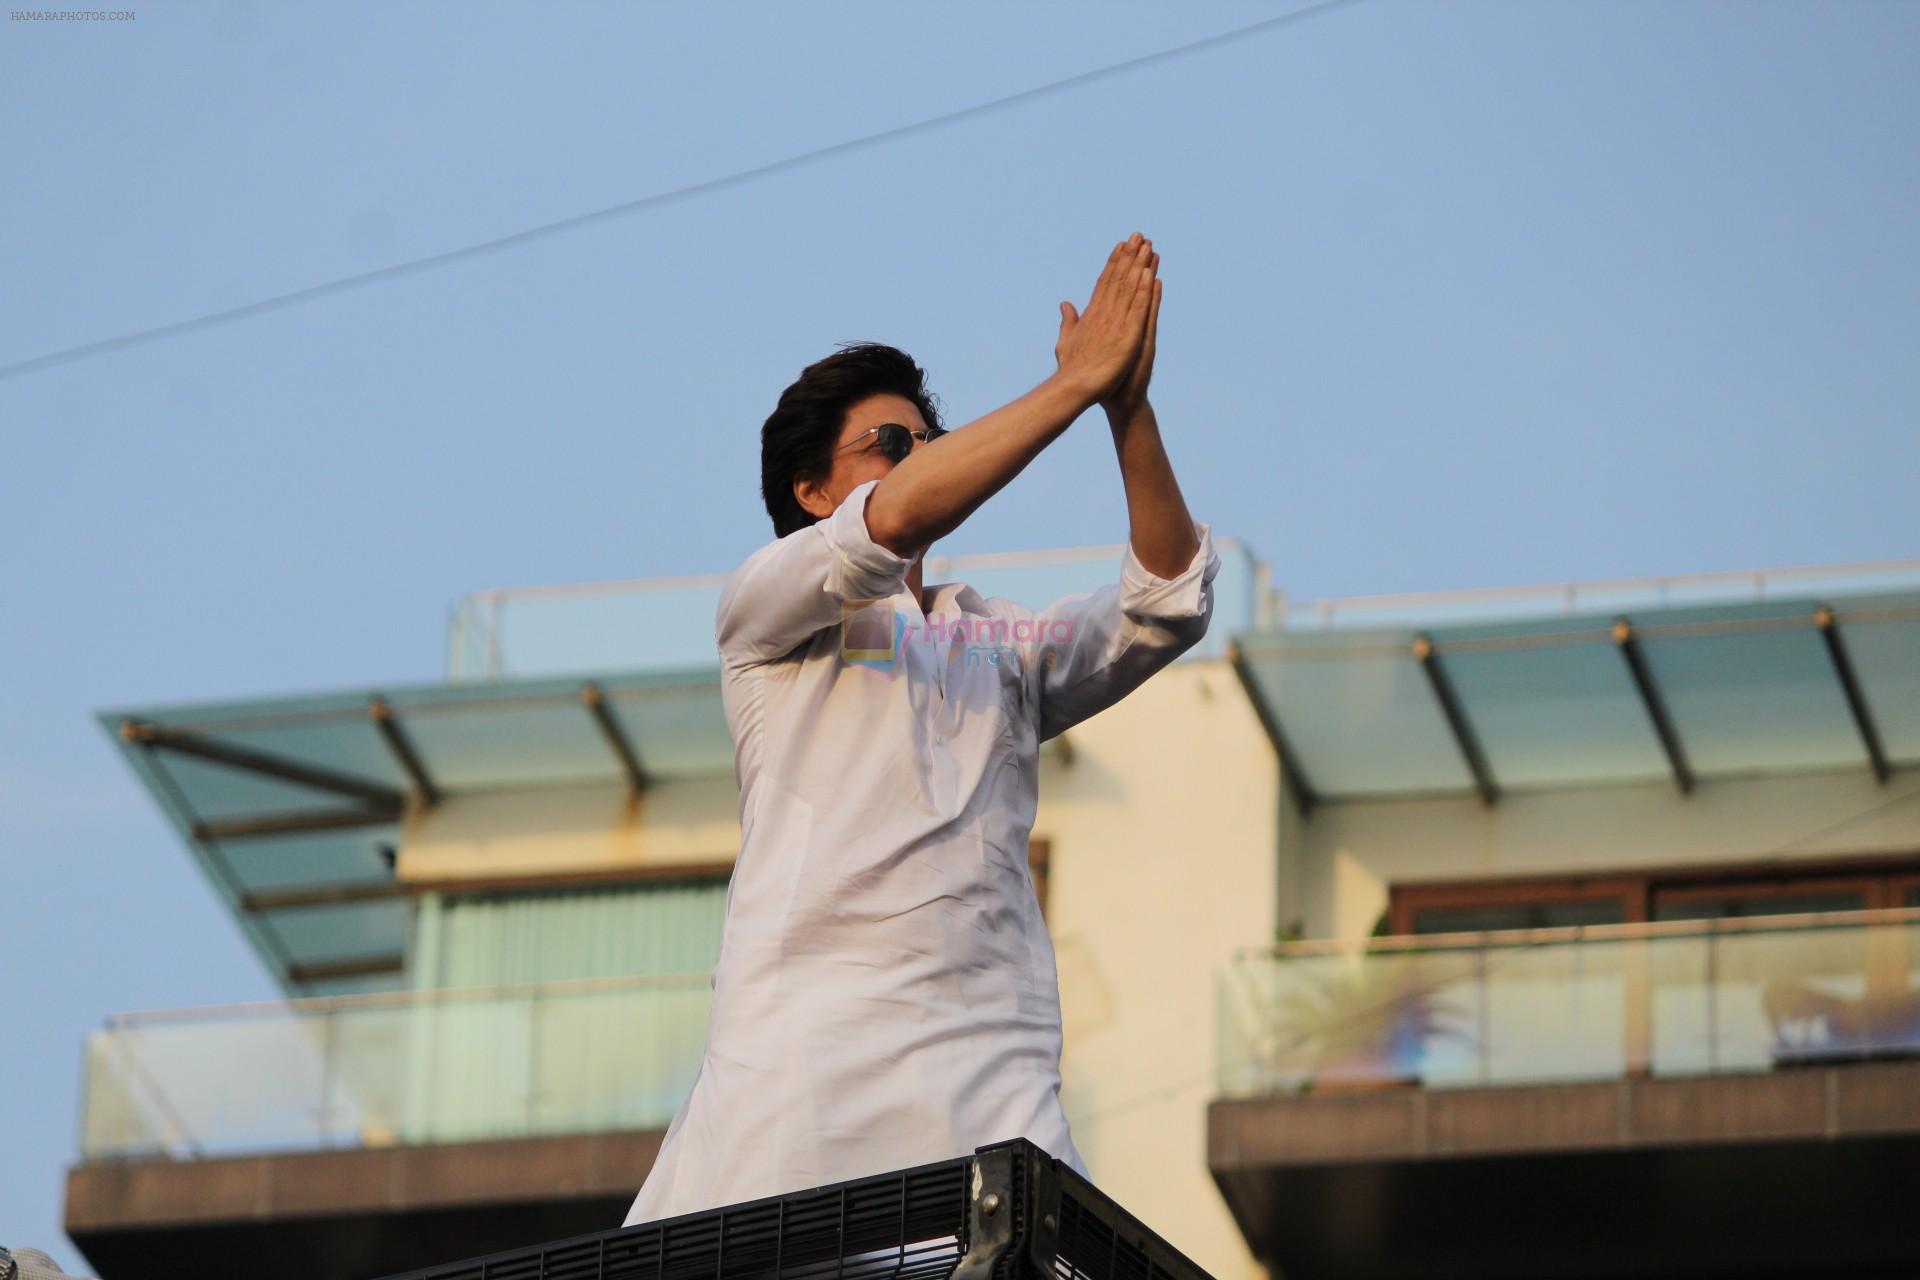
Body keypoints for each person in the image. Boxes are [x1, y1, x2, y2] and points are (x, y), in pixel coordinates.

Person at [623, 233, 1218, 1224]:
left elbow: (1165, 601)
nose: (917, 457)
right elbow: (881, 529)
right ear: (814, 492)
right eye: (887, 444)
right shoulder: (769, 613)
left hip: (993, 1058)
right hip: (812, 1048)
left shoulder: (998, 643)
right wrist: (1070, 386)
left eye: (923, 439)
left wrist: (1125, 405)